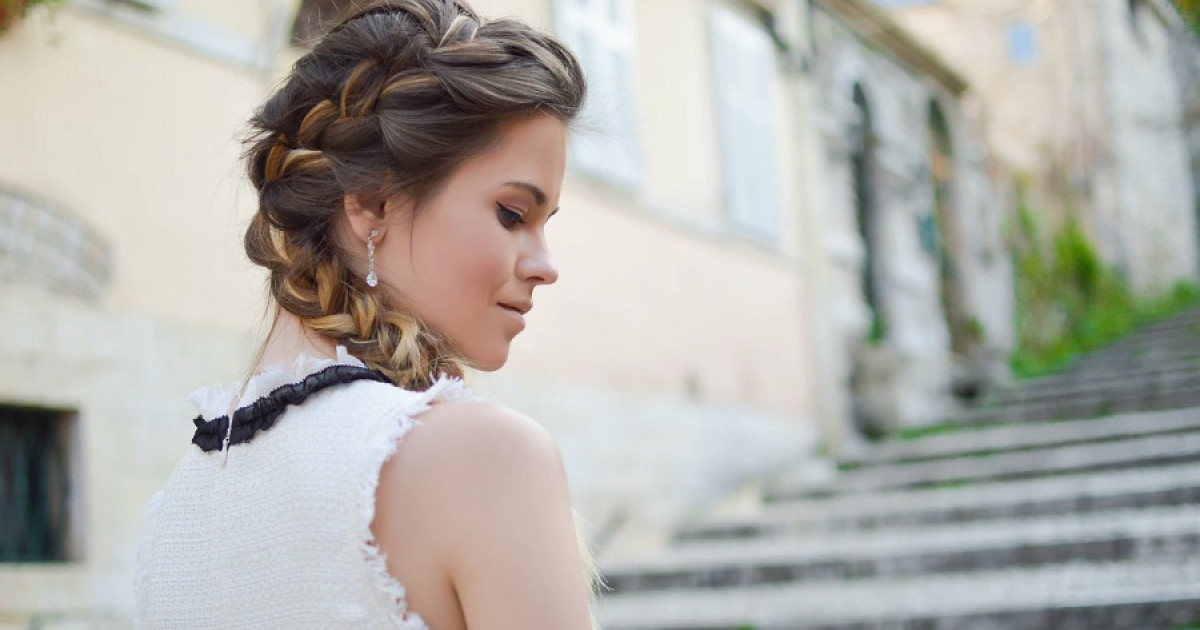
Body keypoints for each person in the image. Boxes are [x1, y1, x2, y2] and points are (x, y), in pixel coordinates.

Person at [133, 1, 596, 628]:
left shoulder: (177, 511)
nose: (545, 265)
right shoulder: (487, 458)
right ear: (373, 203)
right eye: (512, 215)